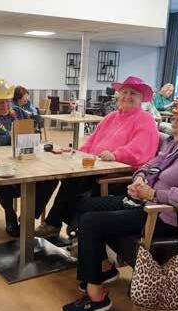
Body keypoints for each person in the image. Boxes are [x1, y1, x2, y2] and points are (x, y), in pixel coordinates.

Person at [62, 97, 178, 311]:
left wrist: (154, 194)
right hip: (144, 203)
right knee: (84, 205)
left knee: (90, 222)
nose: (173, 123)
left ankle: (96, 297)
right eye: (174, 118)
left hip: (162, 216)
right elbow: (150, 165)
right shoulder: (177, 145)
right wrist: (139, 179)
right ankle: (104, 268)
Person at [35, 76, 160, 238]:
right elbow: (92, 139)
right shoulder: (111, 116)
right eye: (124, 92)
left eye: (133, 93)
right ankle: (61, 225)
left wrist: (115, 154)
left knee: (74, 183)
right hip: (97, 168)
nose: (127, 96)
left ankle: (63, 226)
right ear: (118, 95)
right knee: (69, 178)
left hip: (121, 176)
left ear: (141, 98)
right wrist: (77, 152)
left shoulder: (145, 119)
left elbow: (139, 150)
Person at [0, 79, 57, 237]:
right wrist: (10, 136)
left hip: (23, 161)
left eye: (7, 101)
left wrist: (35, 128)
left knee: (51, 180)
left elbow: (31, 132)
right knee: (4, 182)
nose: (5, 106)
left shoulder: (19, 112)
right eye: (0, 102)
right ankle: (10, 217)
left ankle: (27, 217)